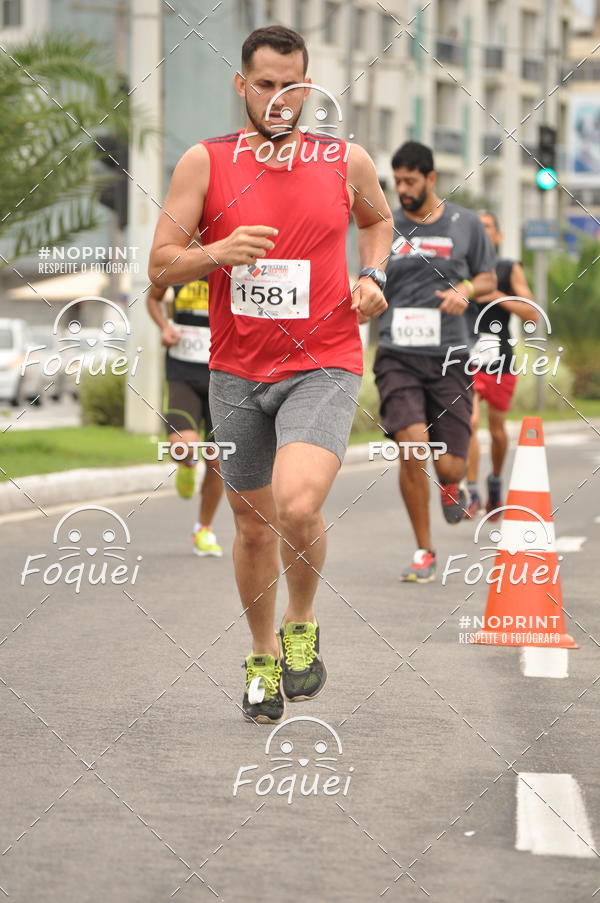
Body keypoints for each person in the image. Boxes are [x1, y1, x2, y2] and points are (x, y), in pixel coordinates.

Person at [149, 25, 392, 723]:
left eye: (294, 86)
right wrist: (218, 250)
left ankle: (301, 621)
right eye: (266, 85)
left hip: (324, 360)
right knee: (253, 528)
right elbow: (160, 263)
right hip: (235, 371)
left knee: (298, 502)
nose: (280, 99)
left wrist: (372, 273)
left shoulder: (345, 159)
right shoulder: (207, 162)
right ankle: (260, 656)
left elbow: (378, 225)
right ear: (241, 85)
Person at [374, 141, 496, 584]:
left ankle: (452, 484)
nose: (402, 189)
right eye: (397, 181)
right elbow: (368, 273)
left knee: (449, 465)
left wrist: (466, 289)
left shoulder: (465, 223)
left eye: (410, 181)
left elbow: (487, 275)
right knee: (410, 447)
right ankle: (424, 550)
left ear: (430, 179)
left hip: (450, 356)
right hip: (398, 355)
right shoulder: (385, 224)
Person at [464, 210, 538, 519]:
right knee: (469, 422)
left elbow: (531, 312)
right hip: (465, 354)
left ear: (498, 236)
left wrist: (495, 294)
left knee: (496, 430)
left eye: (488, 227)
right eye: (477, 228)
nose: (482, 232)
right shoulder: (460, 267)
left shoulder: (509, 269)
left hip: (499, 358)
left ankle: (494, 481)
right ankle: (470, 492)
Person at [146, 274, 224, 556]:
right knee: (183, 446)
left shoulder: (231, 263)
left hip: (224, 375)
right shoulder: (179, 263)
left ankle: (204, 528)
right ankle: (187, 464)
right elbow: (153, 297)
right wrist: (164, 327)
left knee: (218, 459)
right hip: (182, 372)